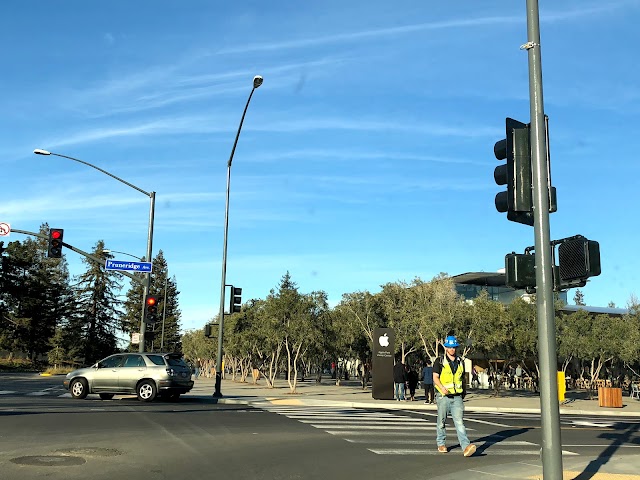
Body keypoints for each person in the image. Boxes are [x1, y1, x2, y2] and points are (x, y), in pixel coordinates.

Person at [433, 335, 476, 457]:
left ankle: (466, 446)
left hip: (457, 396)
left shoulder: (460, 362)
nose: (452, 349)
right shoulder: (440, 361)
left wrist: (463, 393)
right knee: (441, 421)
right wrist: (441, 387)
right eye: (450, 347)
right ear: (446, 348)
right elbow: (435, 377)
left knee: (459, 422)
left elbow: (462, 378)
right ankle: (441, 443)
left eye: (454, 347)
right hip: (443, 396)